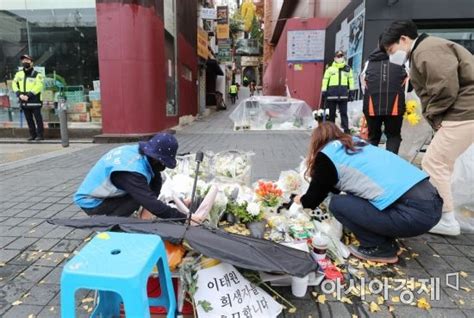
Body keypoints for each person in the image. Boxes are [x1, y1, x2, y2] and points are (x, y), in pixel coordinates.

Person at [294, 122, 442, 263]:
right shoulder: (357, 144)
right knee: (353, 198)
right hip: (433, 204)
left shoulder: (326, 156)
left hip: (413, 214)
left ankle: (379, 247)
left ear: (317, 142)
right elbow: (335, 185)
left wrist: (299, 199)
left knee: (337, 204)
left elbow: (312, 200)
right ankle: (387, 241)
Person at [380, 20, 474, 236]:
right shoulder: (424, 50)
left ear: (403, 39)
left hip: (462, 112)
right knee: (444, 164)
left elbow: (443, 88)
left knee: (434, 162)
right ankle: (446, 211)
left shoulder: (426, 50)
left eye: (391, 49)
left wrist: (435, 116)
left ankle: (447, 219)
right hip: (462, 112)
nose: (391, 55)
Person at [73, 133, 204, 223]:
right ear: (156, 159)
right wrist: (186, 218)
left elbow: (156, 180)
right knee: (138, 198)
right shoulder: (131, 171)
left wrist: (150, 206)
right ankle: (106, 221)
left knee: (146, 195)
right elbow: (151, 202)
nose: (163, 167)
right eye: (163, 163)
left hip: (106, 193)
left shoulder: (142, 154)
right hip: (92, 202)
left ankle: (134, 214)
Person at [360, 43, 407, 154]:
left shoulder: (369, 62)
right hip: (394, 106)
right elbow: (408, 85)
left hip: (372, 105)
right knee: (393, 136)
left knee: (373, 137)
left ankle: (372, 165)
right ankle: (390, 165)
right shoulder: (401, 61)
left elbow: (362, 85)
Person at [321, 50, 355, 134]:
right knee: (331, 115)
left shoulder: (347, 69)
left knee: (344, 114)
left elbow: (351, 80)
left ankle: (346, 131)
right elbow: (325, 80)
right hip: (331, 95)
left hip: (343, 95)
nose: (339, 58)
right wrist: (324, 91)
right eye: (338, 56)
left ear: (343, 57)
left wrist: (352, 91)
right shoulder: (330, 69)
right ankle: (331, 132)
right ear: (334, 58)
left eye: (341, 56)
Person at [12, 54, 45, 141]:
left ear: (31, 62)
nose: (25, 62)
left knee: (38, 118)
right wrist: (19, 94)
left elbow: (39, 86)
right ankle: (33, 135)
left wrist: (28, 95)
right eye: (23, 60)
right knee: (29, 119)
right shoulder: (19, 74)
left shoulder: (37, 74)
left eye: (27, 60)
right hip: (23, 99)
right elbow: (14, 84)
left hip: (35, 100)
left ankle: (40, 135)